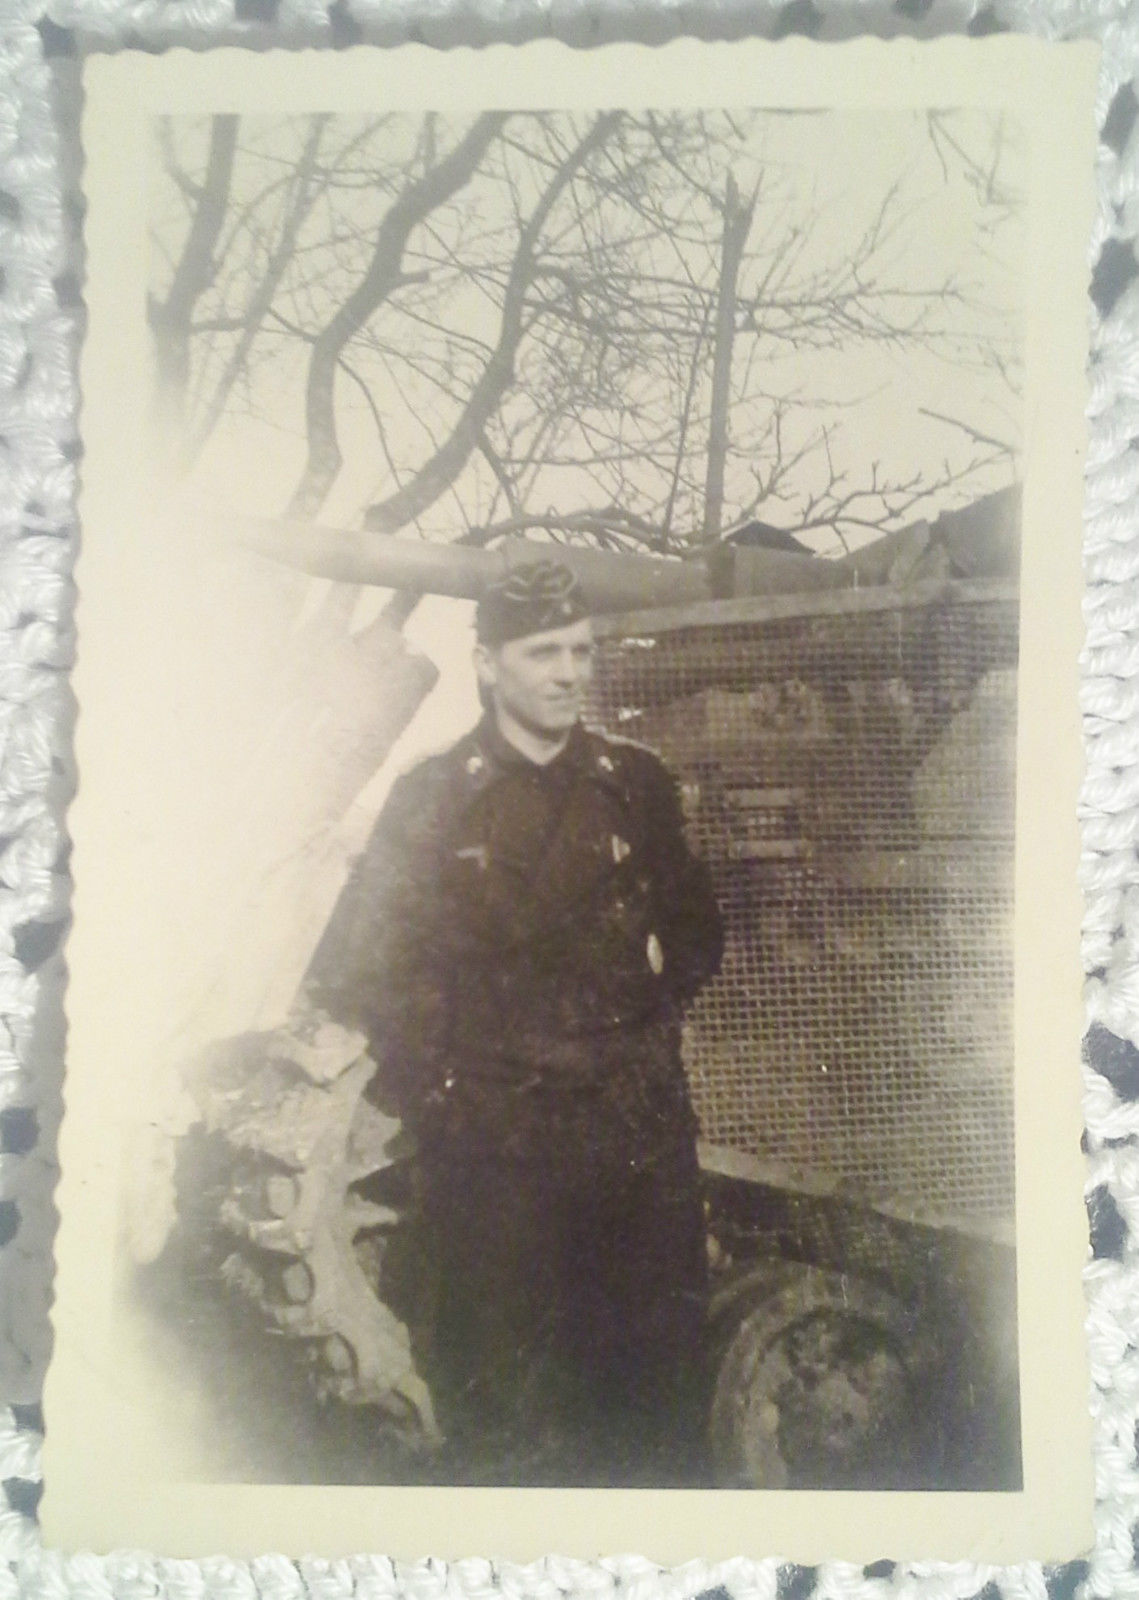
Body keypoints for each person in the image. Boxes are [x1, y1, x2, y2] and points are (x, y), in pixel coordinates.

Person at [304, 559, 724, 1486]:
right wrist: (449, 1090)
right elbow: (366, 966)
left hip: (634, 1148)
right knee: (503, 1420)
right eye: (543, 654)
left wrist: (642, 1040)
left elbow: (698, 936)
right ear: (487, 664)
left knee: (654, 1413)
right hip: (498, 1154)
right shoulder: (431, 797)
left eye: (581, 651)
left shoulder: (635, 783)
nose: (569, 673)